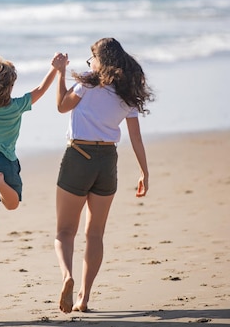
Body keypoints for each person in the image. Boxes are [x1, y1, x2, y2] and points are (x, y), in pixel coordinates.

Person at [51, 37, 153, 313]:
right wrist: (144, 172)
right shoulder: (127, 92)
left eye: (91, 58)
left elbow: (61, 105)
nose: (90, 63)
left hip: (79, 157)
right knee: (95, 234)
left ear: (100, 60)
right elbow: (136, 138)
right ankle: (84, 299)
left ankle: (67, 276)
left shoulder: (87, 83)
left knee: (64, 232)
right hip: (107, 161)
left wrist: (60, 72)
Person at [0, 36, 62, 230]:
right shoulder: (17, 106)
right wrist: (54, 68)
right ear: (11, 86)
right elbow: (41, 89)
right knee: (11, 202)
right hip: (3, 159)